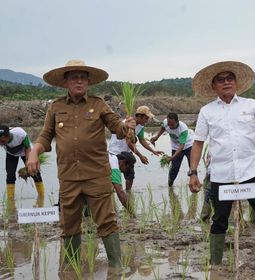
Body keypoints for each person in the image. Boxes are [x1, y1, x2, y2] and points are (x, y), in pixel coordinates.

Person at [26, 59, 136, 268]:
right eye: (74, 77)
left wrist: (126, 125)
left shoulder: (98, 103)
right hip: (68, 177)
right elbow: (45, 135)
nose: (79, 81)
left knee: (107, 222)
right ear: (66, 81)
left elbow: (117, 127)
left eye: (83, 77)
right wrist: (33, 153)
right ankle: (71, 269)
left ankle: (116, 268)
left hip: (97, 175)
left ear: (88, 82)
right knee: (69, 225)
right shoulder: (56, 107)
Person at [189, 61, 255, 265]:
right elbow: (198, 143)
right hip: (221, 175)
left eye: (230, 78)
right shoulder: (207, 112)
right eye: (221, 80)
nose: (226, 82)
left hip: (250, 173)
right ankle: (216, 264)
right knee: (219, 220)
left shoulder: (251, 105)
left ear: (236, 83)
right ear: (214, 86)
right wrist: (193, 172)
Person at [109, 105, 163, 191]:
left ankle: (128, 194)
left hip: (127, 152)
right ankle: (112, 195)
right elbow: (129, 143)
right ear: (139, 116)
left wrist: (153, 151)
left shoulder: (140, 126)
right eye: (146, 118)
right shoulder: (127, 124)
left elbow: (142, 140)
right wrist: (140, 156)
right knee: (114, 176)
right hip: (116, 152)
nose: (147, 120)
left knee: (130, 176)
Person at [0, 125, 45, 204]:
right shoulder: (2, 139)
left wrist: (28, 163)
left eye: (2, 141)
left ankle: (42, 197)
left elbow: (27, 147)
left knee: (35, 172)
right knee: (10, 175)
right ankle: (10, 202)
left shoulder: (20, 134)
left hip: (26, 151)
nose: (1, 144)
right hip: (11, 154)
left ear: (7, 136)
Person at [150, 112, 194, 187]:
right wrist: (156, 137)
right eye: (169, 124)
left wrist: (172, 157)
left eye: (172, 125)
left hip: (188, 146)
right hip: (175, 147)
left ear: (177, 122)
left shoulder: (183, 129)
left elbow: (182, 146)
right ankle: (170, 186)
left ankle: (193, 184)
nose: (170, 126)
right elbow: (163, 127)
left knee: (192, 167)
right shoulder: (166, 122)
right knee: (174, 168)